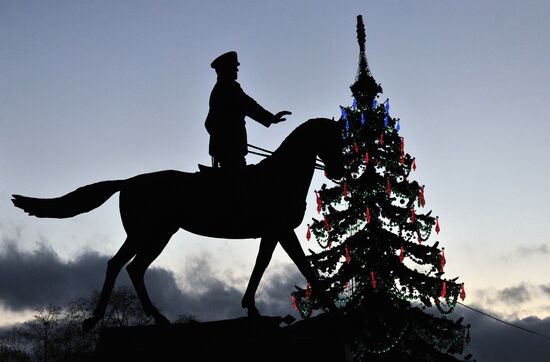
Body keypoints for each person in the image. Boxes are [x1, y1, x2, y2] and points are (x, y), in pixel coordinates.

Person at [205, 51, 291, 169]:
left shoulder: (222, 88)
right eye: (234, 67)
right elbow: (250, 106)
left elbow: (209, 123)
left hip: (227, 149)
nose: (237, 70)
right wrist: (271, 118)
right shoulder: (229, 88)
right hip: (231, 151)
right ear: (226, 69)